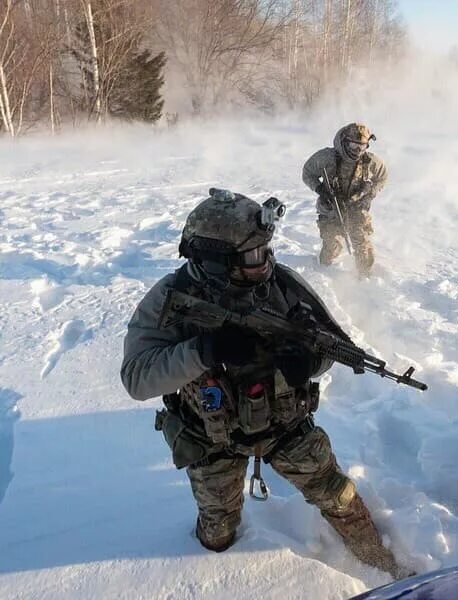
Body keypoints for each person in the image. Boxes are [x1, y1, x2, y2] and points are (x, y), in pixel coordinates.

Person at [120, 188, 406, 578]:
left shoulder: (282, 285)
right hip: (210, 437)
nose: (266, 261)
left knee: (337, 496)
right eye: (253, 256)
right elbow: (137, 378)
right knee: (217, 534)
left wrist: (309, 362)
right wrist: (206, 350)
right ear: (215, 261)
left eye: (267, 250)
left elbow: (336, 344)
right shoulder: (171, 298)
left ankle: (381, 563)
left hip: (284, 426)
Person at [302, 123, 387, 277]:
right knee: (332, 247)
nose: (357, 151)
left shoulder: (370, 161)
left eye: (362, 147)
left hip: (357, 208)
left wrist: (370, 194)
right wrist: (320, 189)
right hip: (330, 209)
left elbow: (382, 178)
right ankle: (323, 273)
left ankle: (365, 278)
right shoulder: (326, 157)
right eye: (354, 145)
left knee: (362, 245)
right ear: (344, 141)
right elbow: (307, 173)